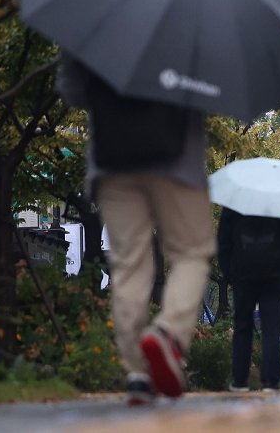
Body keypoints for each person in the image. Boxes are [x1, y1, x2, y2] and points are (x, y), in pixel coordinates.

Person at [57, 56, 215, 405]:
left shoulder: (96, 20)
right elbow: (211, 88)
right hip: (177, 158)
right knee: (191, 253)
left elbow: (70, 90)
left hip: (114, 160)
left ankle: (138, 375)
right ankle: (168, 333)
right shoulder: (194, 20)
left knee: (129, 265)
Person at [217, 209, 280, 392]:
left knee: (242, 327)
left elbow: (223, 241)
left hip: (243, 276)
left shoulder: (234, 204)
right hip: (274, 277)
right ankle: (270, 380)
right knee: (271, 329)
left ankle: (239, 380)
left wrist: (230, 273)